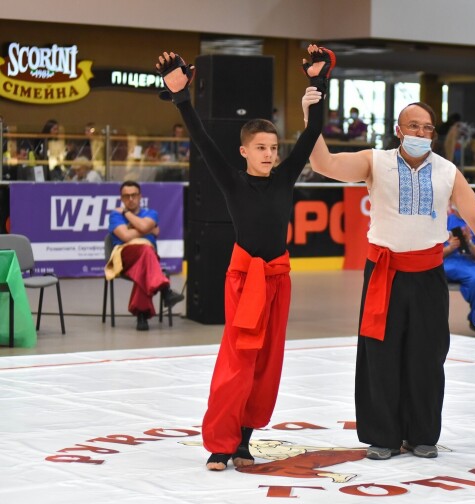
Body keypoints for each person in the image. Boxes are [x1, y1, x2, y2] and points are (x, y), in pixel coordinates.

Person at [156, 44, 331, 471]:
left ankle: (244, 442)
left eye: (273, 147)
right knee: (238, 362)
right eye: (261, 147)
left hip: (278, 280)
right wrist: (181, 96)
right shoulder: (231, 181)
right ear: (244, 152)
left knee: (266, 365)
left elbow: (312, 132)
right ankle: (220, 444)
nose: (270, 154)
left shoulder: (285, 177)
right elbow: (201, 139)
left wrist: (319, 81)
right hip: (243, 280)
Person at [309, 100, 475, 461]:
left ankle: (422, 434)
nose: (420, 132)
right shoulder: (375, 161)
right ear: (399, 131)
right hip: (384, 273)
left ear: (433, 133)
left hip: (428, 275)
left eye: (427, 127)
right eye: (413, 126)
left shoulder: (447, 171)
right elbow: (324, 164)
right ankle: (384, 436)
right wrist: (312, 115)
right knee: (381, 355)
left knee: (427, 356)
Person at [107, 180, 184, 331]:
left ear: (140, 196)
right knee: (146, 251)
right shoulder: (115, 215)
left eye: (134, 195)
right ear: (121, 198)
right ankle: (165, 290)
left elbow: (139, 228)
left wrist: (127, 215)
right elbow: (126, 237)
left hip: (146, 259)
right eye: (126, 196)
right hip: (124, 257)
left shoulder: (151, 213)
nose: (130, 199)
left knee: (144, 261)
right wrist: (147, 229)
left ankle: (142, 316)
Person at [444, 210, 475, 338]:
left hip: (468, 264)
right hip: (445, 262)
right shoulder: (442, 219)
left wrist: (468, 243)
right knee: (427, 278)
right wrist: (450, 247)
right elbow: (433, 254)